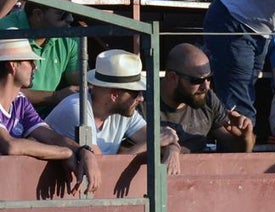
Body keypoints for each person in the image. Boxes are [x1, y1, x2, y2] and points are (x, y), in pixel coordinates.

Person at [45, 48, 181, 172]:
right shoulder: (77, 110)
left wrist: (172, 149)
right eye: (136, 93)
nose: (141, 98)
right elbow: (102, 166)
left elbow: (163, 137)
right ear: (115, 95)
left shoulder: (123, 110)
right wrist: (152, 143)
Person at [0, 35, 100, 194]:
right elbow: (11, 146)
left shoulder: (20, 102)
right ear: (13, 65)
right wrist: (64, 153)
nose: (36, 67)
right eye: (30, 61)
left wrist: (83, 151)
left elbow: (52, 137)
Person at [0, 0, 78, 112]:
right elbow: (4, 93)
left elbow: (80, 80)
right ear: (38, 14)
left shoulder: (69, 38)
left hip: (43, 121)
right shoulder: (7, 33)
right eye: (62, 13)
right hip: (9, 118)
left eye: (71, 11)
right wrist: (55, 96)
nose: (70, 19)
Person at [159, 43, 254, 153]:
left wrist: (244, 136)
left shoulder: (207, 98)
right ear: (172, 78)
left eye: (209, 78)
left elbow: (237, 153)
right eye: (197, 80)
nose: (206, 86)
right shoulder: (145, 104)